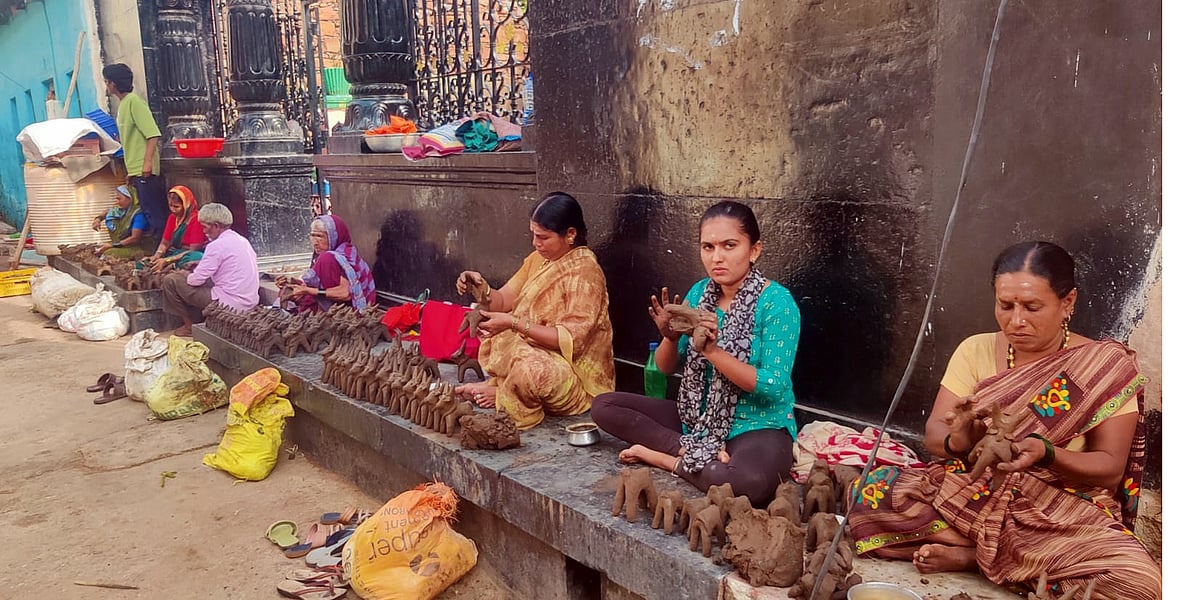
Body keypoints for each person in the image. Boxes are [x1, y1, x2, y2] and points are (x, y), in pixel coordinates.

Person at [845, 241, 1161, 599]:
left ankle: (977, 555)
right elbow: (936, 438)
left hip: (1059, 511)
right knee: (868, 493)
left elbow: (1109, 468)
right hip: (976, 491)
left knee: (1138, 583)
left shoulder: (1104, 366)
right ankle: (998, 555)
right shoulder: (975, 349)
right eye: (1005, 305)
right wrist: (962, 435)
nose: (1016, 320)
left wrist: (1046, 453)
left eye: (1032, 307)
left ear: (1068, 303)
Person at [590, 201, 801, 507]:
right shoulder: (699, 293)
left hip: (756, 422)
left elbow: (772, 385)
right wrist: (669, 338)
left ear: (754, 250)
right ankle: (689, 450)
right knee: (603, 405)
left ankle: (665, 459)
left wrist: (713, 351)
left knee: (749, 484)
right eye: (708, 246)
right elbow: (664, 368)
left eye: (729, 246)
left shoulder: (777, 303)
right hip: (697, 418)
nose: (717, 257)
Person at [453, 192, 615, 430]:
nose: (535, 243)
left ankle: (504, 397)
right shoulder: (538, 260)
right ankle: (505, 388)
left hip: (572, 376)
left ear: (570, 234)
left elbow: (569, 340)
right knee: (511, 342)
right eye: (533, 235)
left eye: (543, 237)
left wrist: (513, 323)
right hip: (534, 351)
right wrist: (481, 290)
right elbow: (504, 299)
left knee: (530, 369)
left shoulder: (586, 273)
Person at [161, 203, 259, 337]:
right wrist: (200, 264)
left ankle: (189, 326)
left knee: (171, 280)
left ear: (216, 226)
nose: (203, 231)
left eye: (204, 227)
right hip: (249, 300)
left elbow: (195, 280)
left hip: (230, 303)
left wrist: (185, 274)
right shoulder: (241, 240)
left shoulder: (216, 245)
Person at [102, 63, 168, 237]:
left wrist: (147, 163)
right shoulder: (124, 105)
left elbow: (153, 134)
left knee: (154, 213)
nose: (106, 86)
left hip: (145, 169)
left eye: (107, 82)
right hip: (136, 169)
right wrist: (131, 171)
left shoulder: (135, 103)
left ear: (113, 84)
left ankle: (160, 250)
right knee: (146, 210)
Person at [276, 214, 376, 313]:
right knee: (287, 291)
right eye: (312, 235)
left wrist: (308, 291)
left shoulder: (339, 257)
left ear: (334, 237)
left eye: (320, 236)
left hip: (349, 310)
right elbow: (311, 284)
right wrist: (290, 283)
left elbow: (345, 293)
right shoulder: (320, 256)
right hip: (329, 303)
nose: (315, 242)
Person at [148, 185, 206, 271]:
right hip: (173, 253)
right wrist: (157, 255)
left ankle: (172, 266)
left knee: (195, 258)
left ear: (186, 205)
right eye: (170, 206)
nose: (172, 210)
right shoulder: (172, 218)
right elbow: (164, 243)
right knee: (144, 264)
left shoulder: (196, 220)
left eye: (176, 207)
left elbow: (193, 250)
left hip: (187, 255)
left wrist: (167, 260)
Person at [91, 185, 150, 259]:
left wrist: (113, 245)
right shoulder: (120, 210)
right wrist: (98, 219)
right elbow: (108, 211)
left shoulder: (138, 214)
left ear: (129, 199)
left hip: (133, 248)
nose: (117, 202)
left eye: (119, 199)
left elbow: (135, 238)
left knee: (108, 254)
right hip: (120, 245)